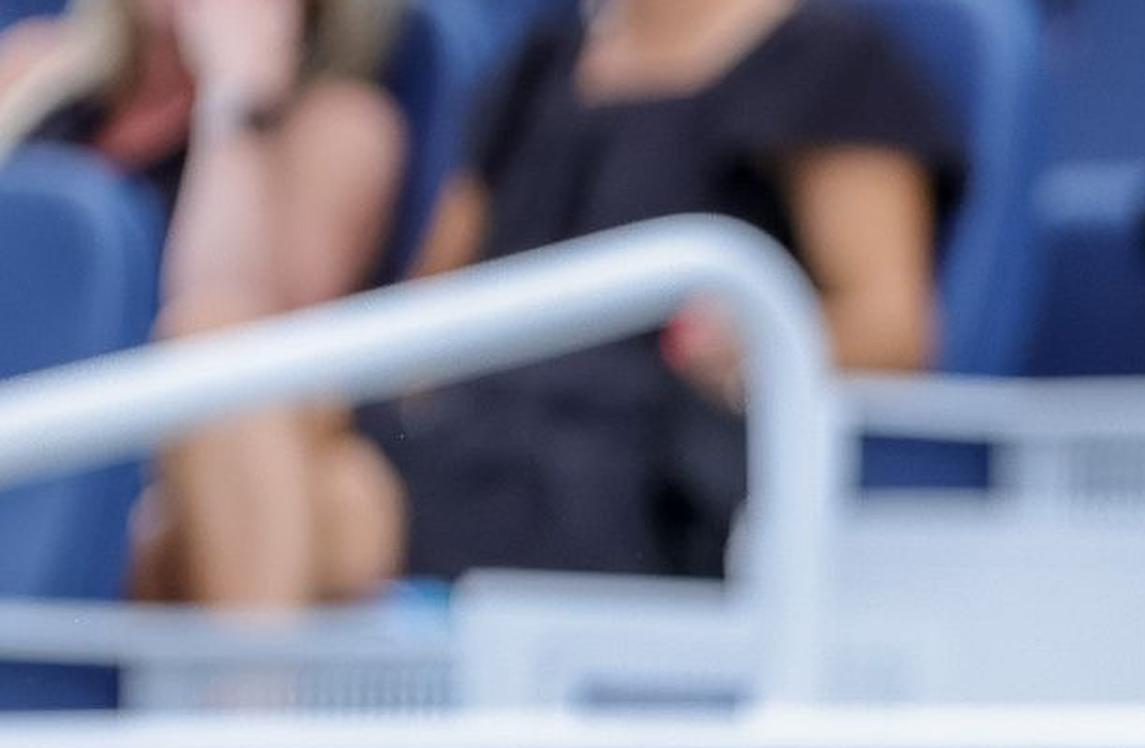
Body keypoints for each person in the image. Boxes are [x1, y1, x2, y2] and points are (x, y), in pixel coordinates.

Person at [128, 0, 960, 605]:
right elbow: (431, 317)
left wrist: (748, 347)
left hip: (639, 471)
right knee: (215, 341)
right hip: (474, 432)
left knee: (193, 542)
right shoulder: (545, 61)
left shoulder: (830, 58)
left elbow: (894, 330)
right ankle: (255, 746)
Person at [0, 0, 410, 607]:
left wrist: (234, 99)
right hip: (26, 417)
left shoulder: (337, 126)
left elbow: (240, 344)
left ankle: (249, 694)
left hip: (162, 475)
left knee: (225, 349)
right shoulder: (33, 75)